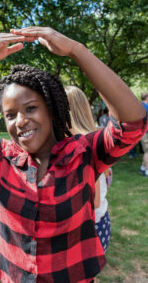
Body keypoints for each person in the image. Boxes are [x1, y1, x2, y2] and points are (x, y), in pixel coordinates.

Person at [0, 27, 147, 283]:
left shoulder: (84, 153)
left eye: (31, 108)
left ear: (52, 109)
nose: (20, 121)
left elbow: (132, 124)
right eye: (10, 115)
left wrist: (77, 51)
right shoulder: (2, 156)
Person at [65, 86, 111, 255]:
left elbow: (95, 200)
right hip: (95, 223)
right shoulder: (90, 139)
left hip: (90, 227)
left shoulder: (85, 146)